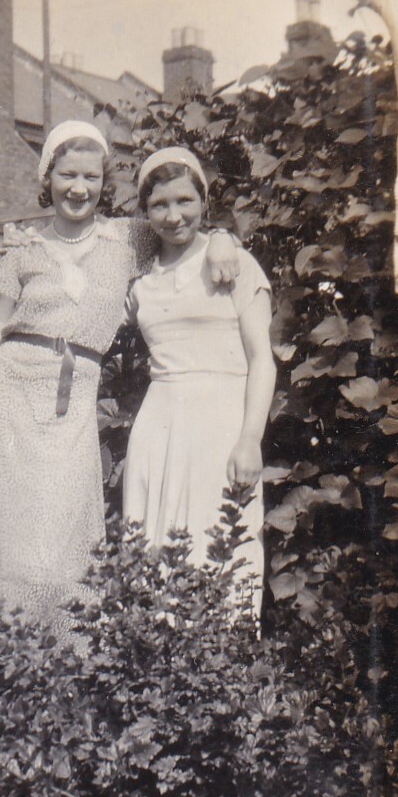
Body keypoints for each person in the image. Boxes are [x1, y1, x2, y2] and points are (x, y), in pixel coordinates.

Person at [0, 123, 241, 654]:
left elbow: (185, 226)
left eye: (90, 176)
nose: (78, 188)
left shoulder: (128, 239)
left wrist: (224, 238)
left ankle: (63, 651)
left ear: (104, 183)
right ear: (48, 179)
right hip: (9, 394)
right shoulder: (23, 251)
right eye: (67, 175)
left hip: (74, 398)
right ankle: (2, 651)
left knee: (61, 530)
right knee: (9, 528)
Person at [123, 147, 276, 624]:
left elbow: (262, 359)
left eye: (184, 201)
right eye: (159, 205)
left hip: (221, 425)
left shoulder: (235, 264)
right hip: (158, 427)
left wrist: (250, 439)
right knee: (153, 546)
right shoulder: (140, 278)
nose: (173, 216)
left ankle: (221, 662)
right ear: (145, 212)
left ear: (204, 202)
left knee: (220, 541)